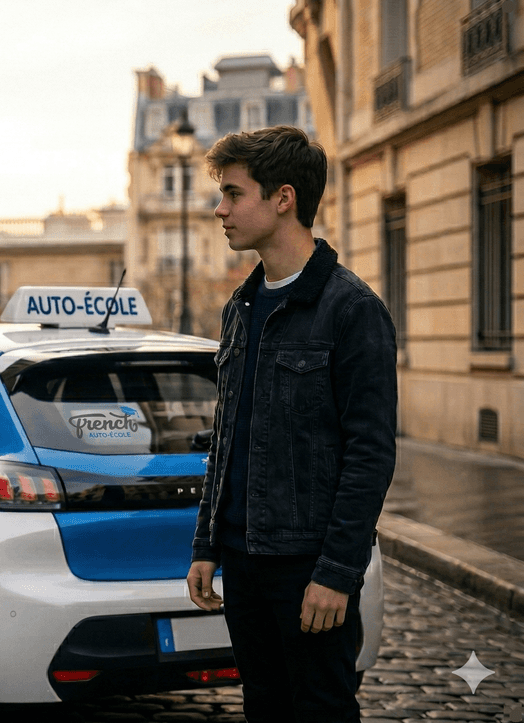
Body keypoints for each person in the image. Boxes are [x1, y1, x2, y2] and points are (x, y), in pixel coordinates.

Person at [185, 125, 397, 722]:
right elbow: (229, 437)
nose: (219, 209)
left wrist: (336, 573)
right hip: (244, 563)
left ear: (283, 198)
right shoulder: (242, 306)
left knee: (322, 711)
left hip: (309, 567)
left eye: (233, 193)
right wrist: (207, 543)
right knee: (265, 709)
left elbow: (371, 454)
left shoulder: (352, 309)